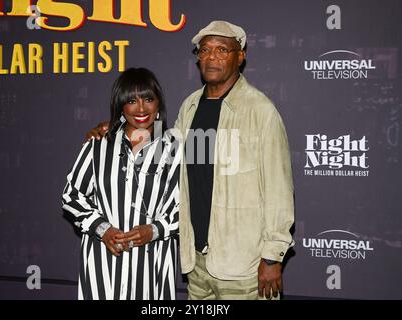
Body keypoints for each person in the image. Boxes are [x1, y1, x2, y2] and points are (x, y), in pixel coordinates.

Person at [87, 21, 294, 300]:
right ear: (198, 58)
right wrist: (113, 128)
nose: (212, 57)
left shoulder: (261, 111)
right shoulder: (191, 105)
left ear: (241, 56)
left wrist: (272, 258)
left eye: (223, 49)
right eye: (205, 50)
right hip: (197, 265)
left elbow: (279, 190)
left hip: (242, 265)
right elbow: (165, 145)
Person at [62, 67, 180, 300]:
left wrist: (154, 230)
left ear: (159, 103)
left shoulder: (175, 147)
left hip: (152, 270)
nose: (141, 108)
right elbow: (72, 196)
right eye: (131, 100)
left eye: (148, 98)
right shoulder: (99, 144)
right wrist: (103, 230)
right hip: (102, 269)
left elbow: (186, 207)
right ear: (120, 105)